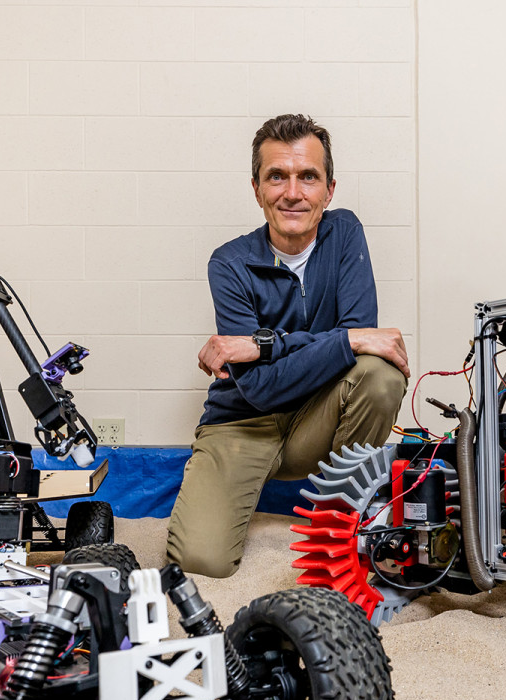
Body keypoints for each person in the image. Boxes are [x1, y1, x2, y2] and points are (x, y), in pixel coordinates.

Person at [167, 113, 409, 578]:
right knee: (200, 562)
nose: (293, 193)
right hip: (241, 424)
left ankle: (342, 528)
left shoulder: (344, 234)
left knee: (380, 376)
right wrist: (342, 338)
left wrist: (261, 344)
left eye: (308, 177)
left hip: (317, 418)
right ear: (257, 188)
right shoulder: (230, 263)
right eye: (277, 176)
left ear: (329, 189)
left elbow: (363, 348)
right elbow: (258, 389)